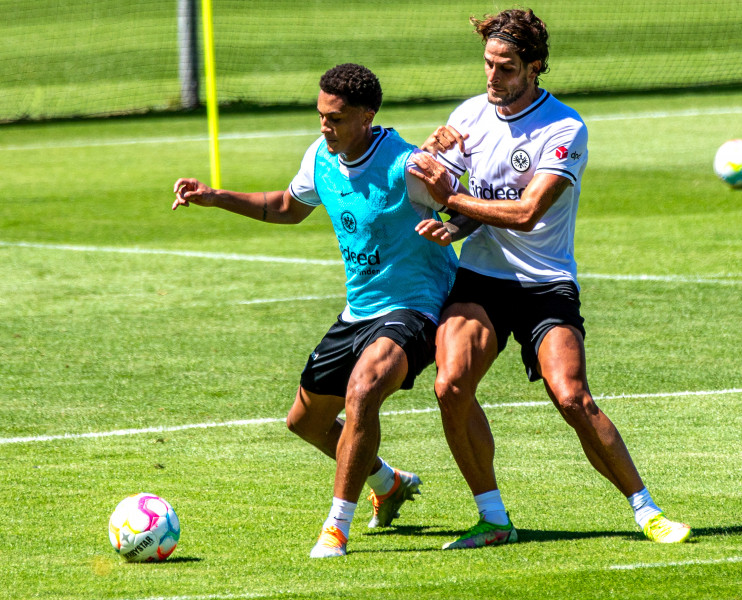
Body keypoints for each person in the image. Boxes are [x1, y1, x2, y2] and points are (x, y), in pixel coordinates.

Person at [409, 9, 692, 549]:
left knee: (572, 397)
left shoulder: (565, 127)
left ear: (535, 66)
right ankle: (493, 519)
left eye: (507, 67)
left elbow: (526, 213)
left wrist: (450, 199)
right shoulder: (469, 114)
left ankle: (646, 510)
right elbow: (475, 203)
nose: (493, 77)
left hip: (545, 281)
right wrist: (438, 179)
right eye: (488, 64)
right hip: (483, 277)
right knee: (449, 386)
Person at [172, 63, 466, 558]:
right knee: (304, 423)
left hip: (415, 305)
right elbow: (287, 206)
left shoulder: (407, 165)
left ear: (368, 115)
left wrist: (454, 200)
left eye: (336, 118)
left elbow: (463, 204)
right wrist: (216, 197)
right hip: (358, 310)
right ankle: (388, 482)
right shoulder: (320, 157)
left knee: (365, 389)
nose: (325, 127)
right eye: (321, 116)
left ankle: (336, 527)